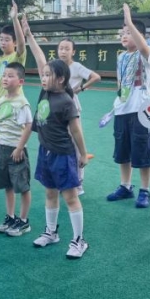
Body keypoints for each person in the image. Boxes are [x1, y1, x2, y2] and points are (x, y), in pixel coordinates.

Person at [21, 14, 90, 258]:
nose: (43, 77)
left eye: (48, 75)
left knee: (70, 196)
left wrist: (83, 155)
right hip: (46, 152)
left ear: (60, 79)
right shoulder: (45, 92)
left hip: (63, 154)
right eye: (43, 74)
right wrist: (29, 35)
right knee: (50, 193)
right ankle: (51, 233)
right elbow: (41, 59)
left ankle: (79, 240)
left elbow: (76, 130)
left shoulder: (66, 101)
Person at [106, 4, 150, 208]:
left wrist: (129, 19)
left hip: (142, 110)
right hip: (122, 109)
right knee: (123, 150)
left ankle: (145, 190)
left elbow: (143, 47)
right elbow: (120, 84)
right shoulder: (121, 57)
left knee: (143, 150)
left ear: (140, 35)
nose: (124, 36)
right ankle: (125, 186)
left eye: (128, 32)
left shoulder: (146, 52)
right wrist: (118, 102)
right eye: (122, 33)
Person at [45, 36, 100, 195]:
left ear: (73, 52)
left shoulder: (76, 66)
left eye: (67, 49)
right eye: (61, 48)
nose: (63, 51)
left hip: (72, 108)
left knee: (75, 144)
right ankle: (61, 180)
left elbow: (96, 77)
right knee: (58, 143)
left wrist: (81, 88)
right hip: (55, 108)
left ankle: (78, 183)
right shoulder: (54, 66)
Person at [0, 62, 33, 236]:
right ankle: (10, 217)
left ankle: (24, 221)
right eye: (4, 75)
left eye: (10, 76)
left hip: (16, 150)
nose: (5, 78)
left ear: (21, 81)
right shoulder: (1, 100)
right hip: (0, 148)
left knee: (22, 187)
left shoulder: (22, 103)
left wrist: (19, 148)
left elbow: (29, 126)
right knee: (8, 185)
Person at [0, 0, 27, 105]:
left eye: (7, 40)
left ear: (14, 42)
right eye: (1, 39)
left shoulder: (16, 57)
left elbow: (21, 44)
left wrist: (15, 19)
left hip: (13, 103)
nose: (3, 42)